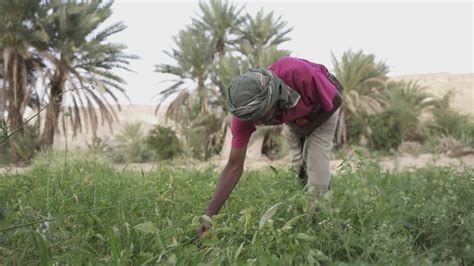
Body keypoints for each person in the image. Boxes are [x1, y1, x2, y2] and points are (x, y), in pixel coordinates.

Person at [197, 56, 344, 237]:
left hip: (324, 107)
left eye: (262, 117)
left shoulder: (297, 73)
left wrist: (307, 128)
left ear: (274, 99)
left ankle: (317, 229)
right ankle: (303, 202)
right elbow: (234, 166)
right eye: (253, 119)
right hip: (295, 118)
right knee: (300, 167)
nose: (257, 123)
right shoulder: (245, 113)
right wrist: (209, 215)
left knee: (316, 167)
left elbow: (336, 100)